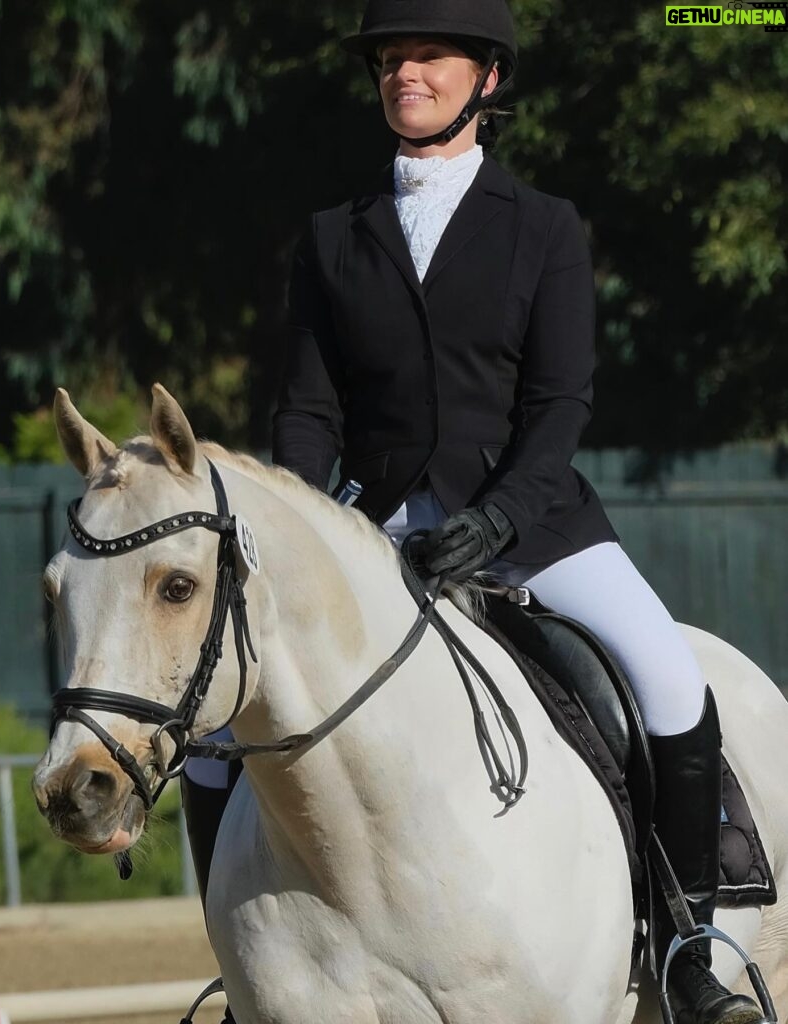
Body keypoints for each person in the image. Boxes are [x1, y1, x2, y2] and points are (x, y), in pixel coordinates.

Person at [184, 2, 764, 1022]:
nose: (405, 74)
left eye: (428, 57)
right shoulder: (332, 238)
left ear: (488, 78)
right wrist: (309, 528)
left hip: (532, 528)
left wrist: (496, 520)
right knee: (209, 737)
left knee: (671, 677)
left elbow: (559, 405)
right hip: (375, 539)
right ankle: (241, 970)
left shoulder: (543, 227)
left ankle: (686, 948)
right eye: (391, 60)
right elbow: (308, 410)